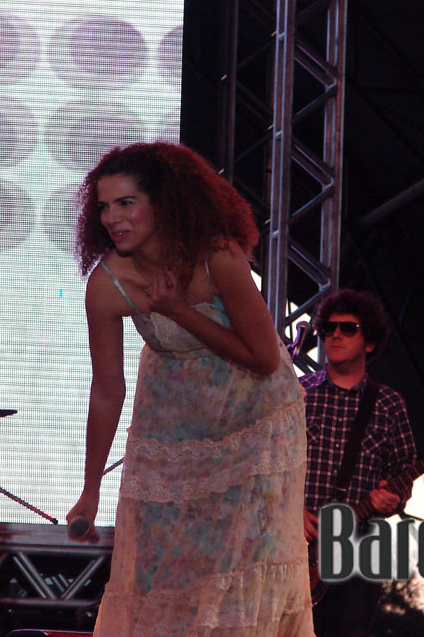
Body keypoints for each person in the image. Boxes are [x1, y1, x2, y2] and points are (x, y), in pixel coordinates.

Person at [66, 141, 313, 637]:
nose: (113, 218)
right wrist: (89, 490)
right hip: (173, 424)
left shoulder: (216, 255)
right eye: (104, 207)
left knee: (242, 576)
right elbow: (106, 391)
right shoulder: (106, 285)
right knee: (163, 575)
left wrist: (179, 312)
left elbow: (265, 359)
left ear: (163, 203)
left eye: (126, 203)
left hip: (256, 421)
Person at [300, 289, 417, 637]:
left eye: (348, 328)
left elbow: (403, 471)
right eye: (330, 328)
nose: (335, 334)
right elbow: (270, 467)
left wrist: (393, 499)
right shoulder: (297, 394)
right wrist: (288, 511)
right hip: (296, 544)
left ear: (370, 342)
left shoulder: (389, 404)